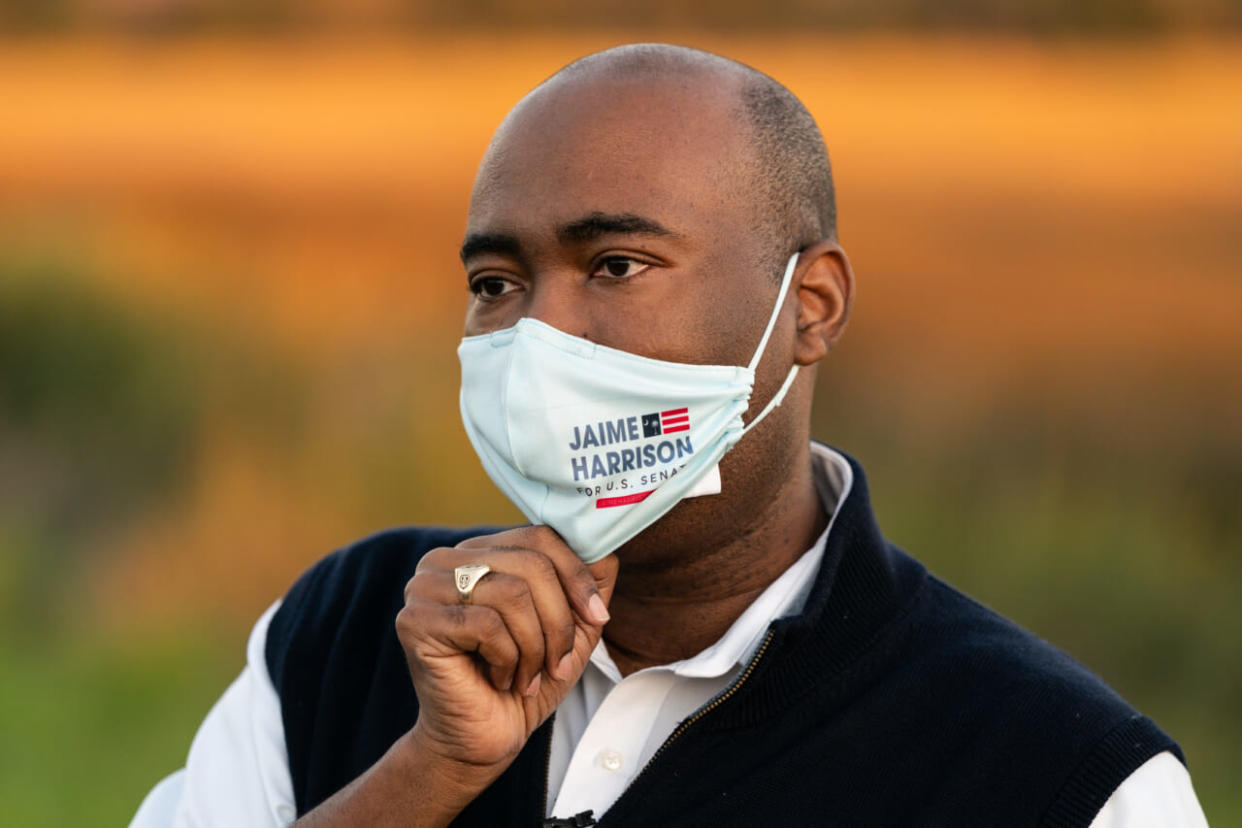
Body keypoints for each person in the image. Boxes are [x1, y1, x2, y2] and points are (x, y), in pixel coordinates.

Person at [131, 44, 1209, 827]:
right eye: (496, 283)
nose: (542, 334)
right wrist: (427, 772)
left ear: (810, 307)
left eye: (616, 266)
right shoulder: (339, 639)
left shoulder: (1061, 778)